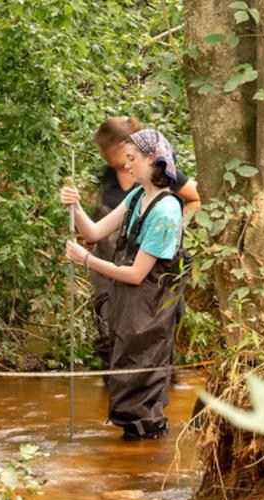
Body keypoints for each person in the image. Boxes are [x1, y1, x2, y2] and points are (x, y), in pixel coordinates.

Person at [62, 129, 190, 440]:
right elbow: (93, 232)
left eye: (132, 159)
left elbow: (136, 273)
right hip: (127, 307)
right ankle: (133, 457)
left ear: (152, 160)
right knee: (124, 378)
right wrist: (75, 207)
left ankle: (148, 452)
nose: (127, 166)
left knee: (143, 383)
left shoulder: (167, 210)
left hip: (150, 308)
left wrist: (86, 260)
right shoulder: (136, 196)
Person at [87, 117, 200, 384]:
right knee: (109, 325)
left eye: (106, 150)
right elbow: (100, 228)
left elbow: (196, 197)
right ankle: (118, 387)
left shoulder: (159, 173)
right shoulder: (108, 178)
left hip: (149, 270)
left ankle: (156, 389)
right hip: (113, 268)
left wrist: (169, 228)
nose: (104, 156)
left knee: (152, 330)